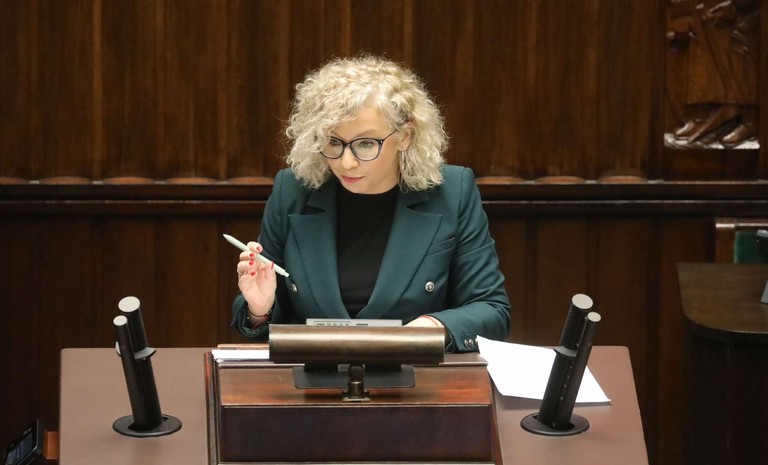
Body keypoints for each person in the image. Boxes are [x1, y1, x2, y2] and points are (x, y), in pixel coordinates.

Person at [231, 55, 510, 352]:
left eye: (365, 144)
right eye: (333, 142)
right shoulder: (293, 190)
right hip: (313, 372)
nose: (346, 162)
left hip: (414, 370)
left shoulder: (452, 192)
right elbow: (263, 319)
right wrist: (260, 309)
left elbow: (491, 310)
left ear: (405, 136)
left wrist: (431, 328)